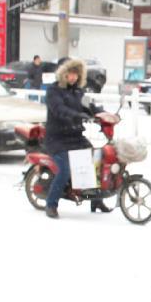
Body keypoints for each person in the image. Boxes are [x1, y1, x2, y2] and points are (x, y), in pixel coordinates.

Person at [43, 59, 112, 219]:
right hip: (57, 138)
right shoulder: (53, 91)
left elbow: (90, 105)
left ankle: (95, 200)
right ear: (63, 74)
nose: (73, 77)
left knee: (95, 162)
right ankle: (51, 204)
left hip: (75, 136)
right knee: (65, 169)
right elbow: (59, 109)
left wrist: (103, 114)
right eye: (70, 73)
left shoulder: (78, 92)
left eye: (76, 74)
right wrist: (77, 115)